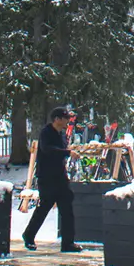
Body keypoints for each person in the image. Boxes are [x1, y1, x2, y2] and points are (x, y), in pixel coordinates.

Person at [22, 106, 80, 253]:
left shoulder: (61, 134)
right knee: (43, 208)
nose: (68, 121)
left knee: (67, 209)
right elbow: (48, 150)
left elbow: (60, 152)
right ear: (57, 119)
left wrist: (69, 151)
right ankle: (28, 235)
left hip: (60, 177)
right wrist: (67, 152)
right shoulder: (46, 133)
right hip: (47, 178)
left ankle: (68, 243)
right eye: (65, 118)